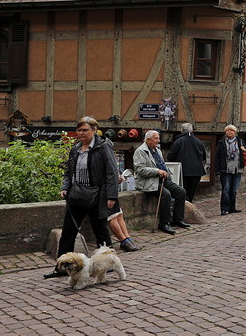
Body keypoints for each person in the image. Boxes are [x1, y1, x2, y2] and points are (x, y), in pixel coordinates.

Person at [45, 118, 118, 279]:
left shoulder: (103, 147)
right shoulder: (76, 148)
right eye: (79, 130)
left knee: (101, 232)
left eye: (84, 130)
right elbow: (68, 172)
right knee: (68, 232)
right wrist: (65, 188)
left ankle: (109, 264)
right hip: (76, 196)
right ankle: (61, 268)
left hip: (97, 196)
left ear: (94, 130)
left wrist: (111, 195)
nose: (81, 133)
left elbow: (112, 172)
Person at [87, 117, 141, 252]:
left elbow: (110, 168)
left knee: (118, 214)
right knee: (111, 216)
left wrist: (115, 177)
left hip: (110, 186)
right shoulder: (89, 148)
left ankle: (127, 238)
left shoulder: (104, 145)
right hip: (103, 188)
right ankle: (123, 240)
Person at [134, 130, 189, 231]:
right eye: (156, 138)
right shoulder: (140, 151)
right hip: (148, 181)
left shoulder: (157, 150)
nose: (158, 141)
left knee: (181, 192)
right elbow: (140, 169)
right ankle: (164, 223)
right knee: (165, 194)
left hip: (162, 179)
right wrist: (157, 171)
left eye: (159, 138)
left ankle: (177, 219)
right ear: (148, 140)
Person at [168, 122, 207, 203]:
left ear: (181, 131)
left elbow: (170, 157)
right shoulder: (199, 141)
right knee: (191, 193)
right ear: (192, 130)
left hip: (183, 171)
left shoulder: (178, 142)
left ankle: (183, 209)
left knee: (182, 192)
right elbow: (204, 157)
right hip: (196, 171)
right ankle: (189, 206)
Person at [214, 124, 246, 212]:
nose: (229, 132)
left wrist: (244, 150)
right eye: (227, 130)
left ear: (235, 132)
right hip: (226, 170)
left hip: (237, 169)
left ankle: (232, 208)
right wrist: (217, 171)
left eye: (231, 130)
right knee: (226, 190)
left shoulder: (240, 141)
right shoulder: (222, 143)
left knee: (233, 190)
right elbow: (217, 158)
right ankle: (224, 209)